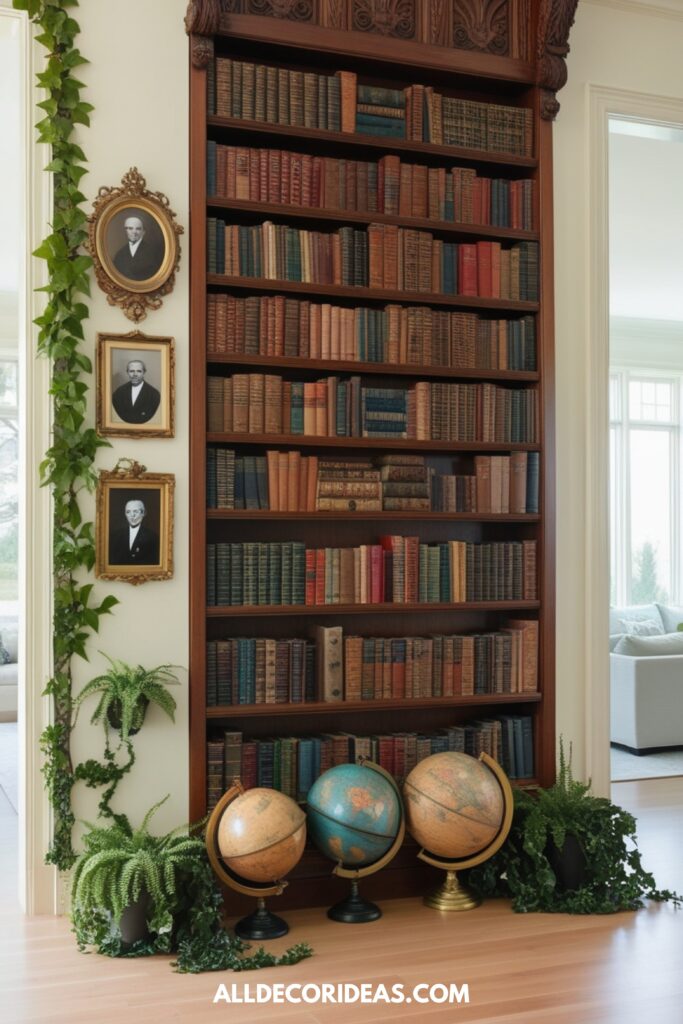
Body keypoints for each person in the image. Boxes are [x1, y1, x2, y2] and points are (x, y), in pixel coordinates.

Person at [109, 498, 160, 566]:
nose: (132, 515)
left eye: (135, 511)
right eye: (128, 512)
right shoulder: (115, 536)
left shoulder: (153, 537)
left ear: (143, 513)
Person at [112, 214, 164, 281]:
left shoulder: (153, 252)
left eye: (138, 229)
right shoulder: (119, 255)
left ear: (143, 232)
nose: (134, 232)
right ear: (125, 231)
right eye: (130, 228)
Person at [111, 358, 161, 424]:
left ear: (144, 372)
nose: (135, 374)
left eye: (139, 371)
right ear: (127, 372)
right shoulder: (119, 392)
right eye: (131, 371)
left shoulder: (154, 394)